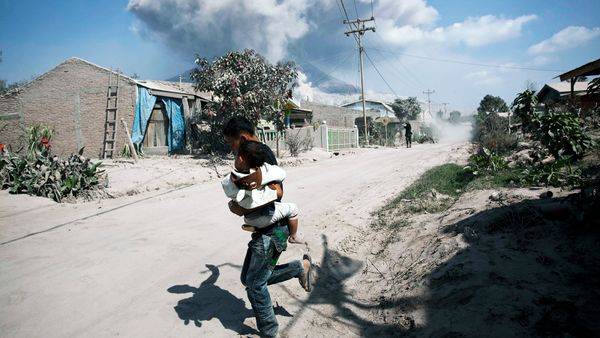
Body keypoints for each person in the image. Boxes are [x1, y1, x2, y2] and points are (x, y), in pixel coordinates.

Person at [222, 116, 314, 338]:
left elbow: (278, 192)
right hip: (267, 231)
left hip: (273, 232)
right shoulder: (253, 154)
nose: (232, 150)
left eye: (231, 144)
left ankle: (269, 332)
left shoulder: (260, 156)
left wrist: (243, 209)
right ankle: (299, 268)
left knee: (254, 285)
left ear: (242, 138)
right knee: (250, 279)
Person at [221, 139, 302, 243]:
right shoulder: (265, 170)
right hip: (266, 216)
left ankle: (258, 228)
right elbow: (282, 175)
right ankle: (293, 236)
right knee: (293, 208)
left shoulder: (231, 178)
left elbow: (229, 193)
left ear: (240, 159)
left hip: (248, 218)